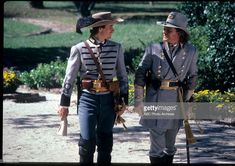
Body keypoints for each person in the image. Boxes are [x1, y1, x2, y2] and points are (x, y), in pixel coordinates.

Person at [57, 11, 128, 164]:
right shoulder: (79, 48)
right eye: (110, 26)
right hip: (87, 99)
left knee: (105, 142)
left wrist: (123, 101)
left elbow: (123, 77)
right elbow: (69, 78)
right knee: (87, 142)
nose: (113, 30)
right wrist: (64, 104)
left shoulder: (117, 48)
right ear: (100, 28)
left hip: (109, 100)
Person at [134, 12, 198, 164]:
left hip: (177, 100)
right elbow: (140, 73)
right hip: (156, 98)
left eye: (169, 29)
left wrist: (187, 101)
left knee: (170, 143)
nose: (164, 31)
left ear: (179, 33)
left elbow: (193, 76)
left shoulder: (191, 51)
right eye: (164, 28)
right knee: (157, 143)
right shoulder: (153, 48)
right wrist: (138, 99)